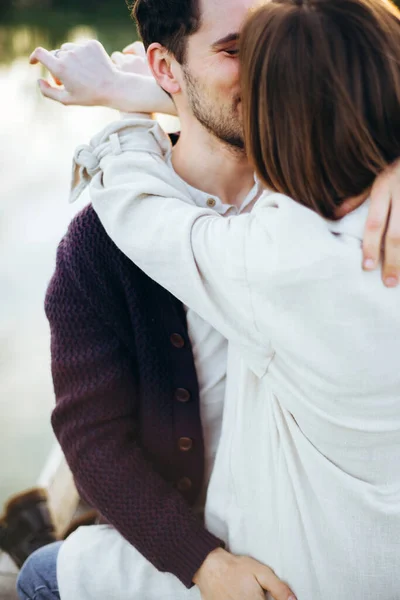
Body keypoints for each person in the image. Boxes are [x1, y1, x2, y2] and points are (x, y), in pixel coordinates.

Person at [17, 0, 400, 598]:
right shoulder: (97, 248)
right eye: (234, 51)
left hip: (302, 554)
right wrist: (203, 561)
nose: (266, 73)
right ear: (167, 69)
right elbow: (92, 439)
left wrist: (122, 106)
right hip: (222, 539)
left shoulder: (300, 225)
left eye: (272, 50)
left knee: (39, 574)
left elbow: (142, 209)